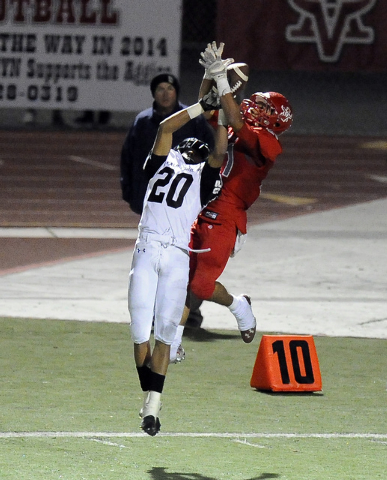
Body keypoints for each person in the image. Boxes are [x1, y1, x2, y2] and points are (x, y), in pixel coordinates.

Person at [171, 41, 294, 357]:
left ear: (275, 120)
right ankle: (172, 340)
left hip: (227, 213)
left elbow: (236, 122)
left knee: (199, 285)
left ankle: (238, 306)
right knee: (180, 273)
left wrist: (224, 80)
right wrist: (210, 77)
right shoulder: (244, 122)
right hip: (203, 203)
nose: (256, 107)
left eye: (264, 108)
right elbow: (207, 106)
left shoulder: (268, 143)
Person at [128, 95, 227, 436]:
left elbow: (217, 153)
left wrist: (217, 113)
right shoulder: (164, 163)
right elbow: (168, 127)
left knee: (163, 336)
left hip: (171, 255)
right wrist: (206, 106)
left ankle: (153, 407)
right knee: (143, 333)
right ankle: (150, 397)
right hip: (153, 249)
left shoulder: (194, 174)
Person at [121, 73, 215, 328]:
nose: (165, 93)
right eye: (160, 88)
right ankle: (153, 314)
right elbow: (129, 158)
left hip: (184, 206)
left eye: (170, 88)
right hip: (151, 203)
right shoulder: (142, 122)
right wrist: (129, 192)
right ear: (153, 93)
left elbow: (211, 150)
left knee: (181, 260)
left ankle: (188, 313)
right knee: (151, 265)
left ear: (176, 92)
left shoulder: (192, 118)